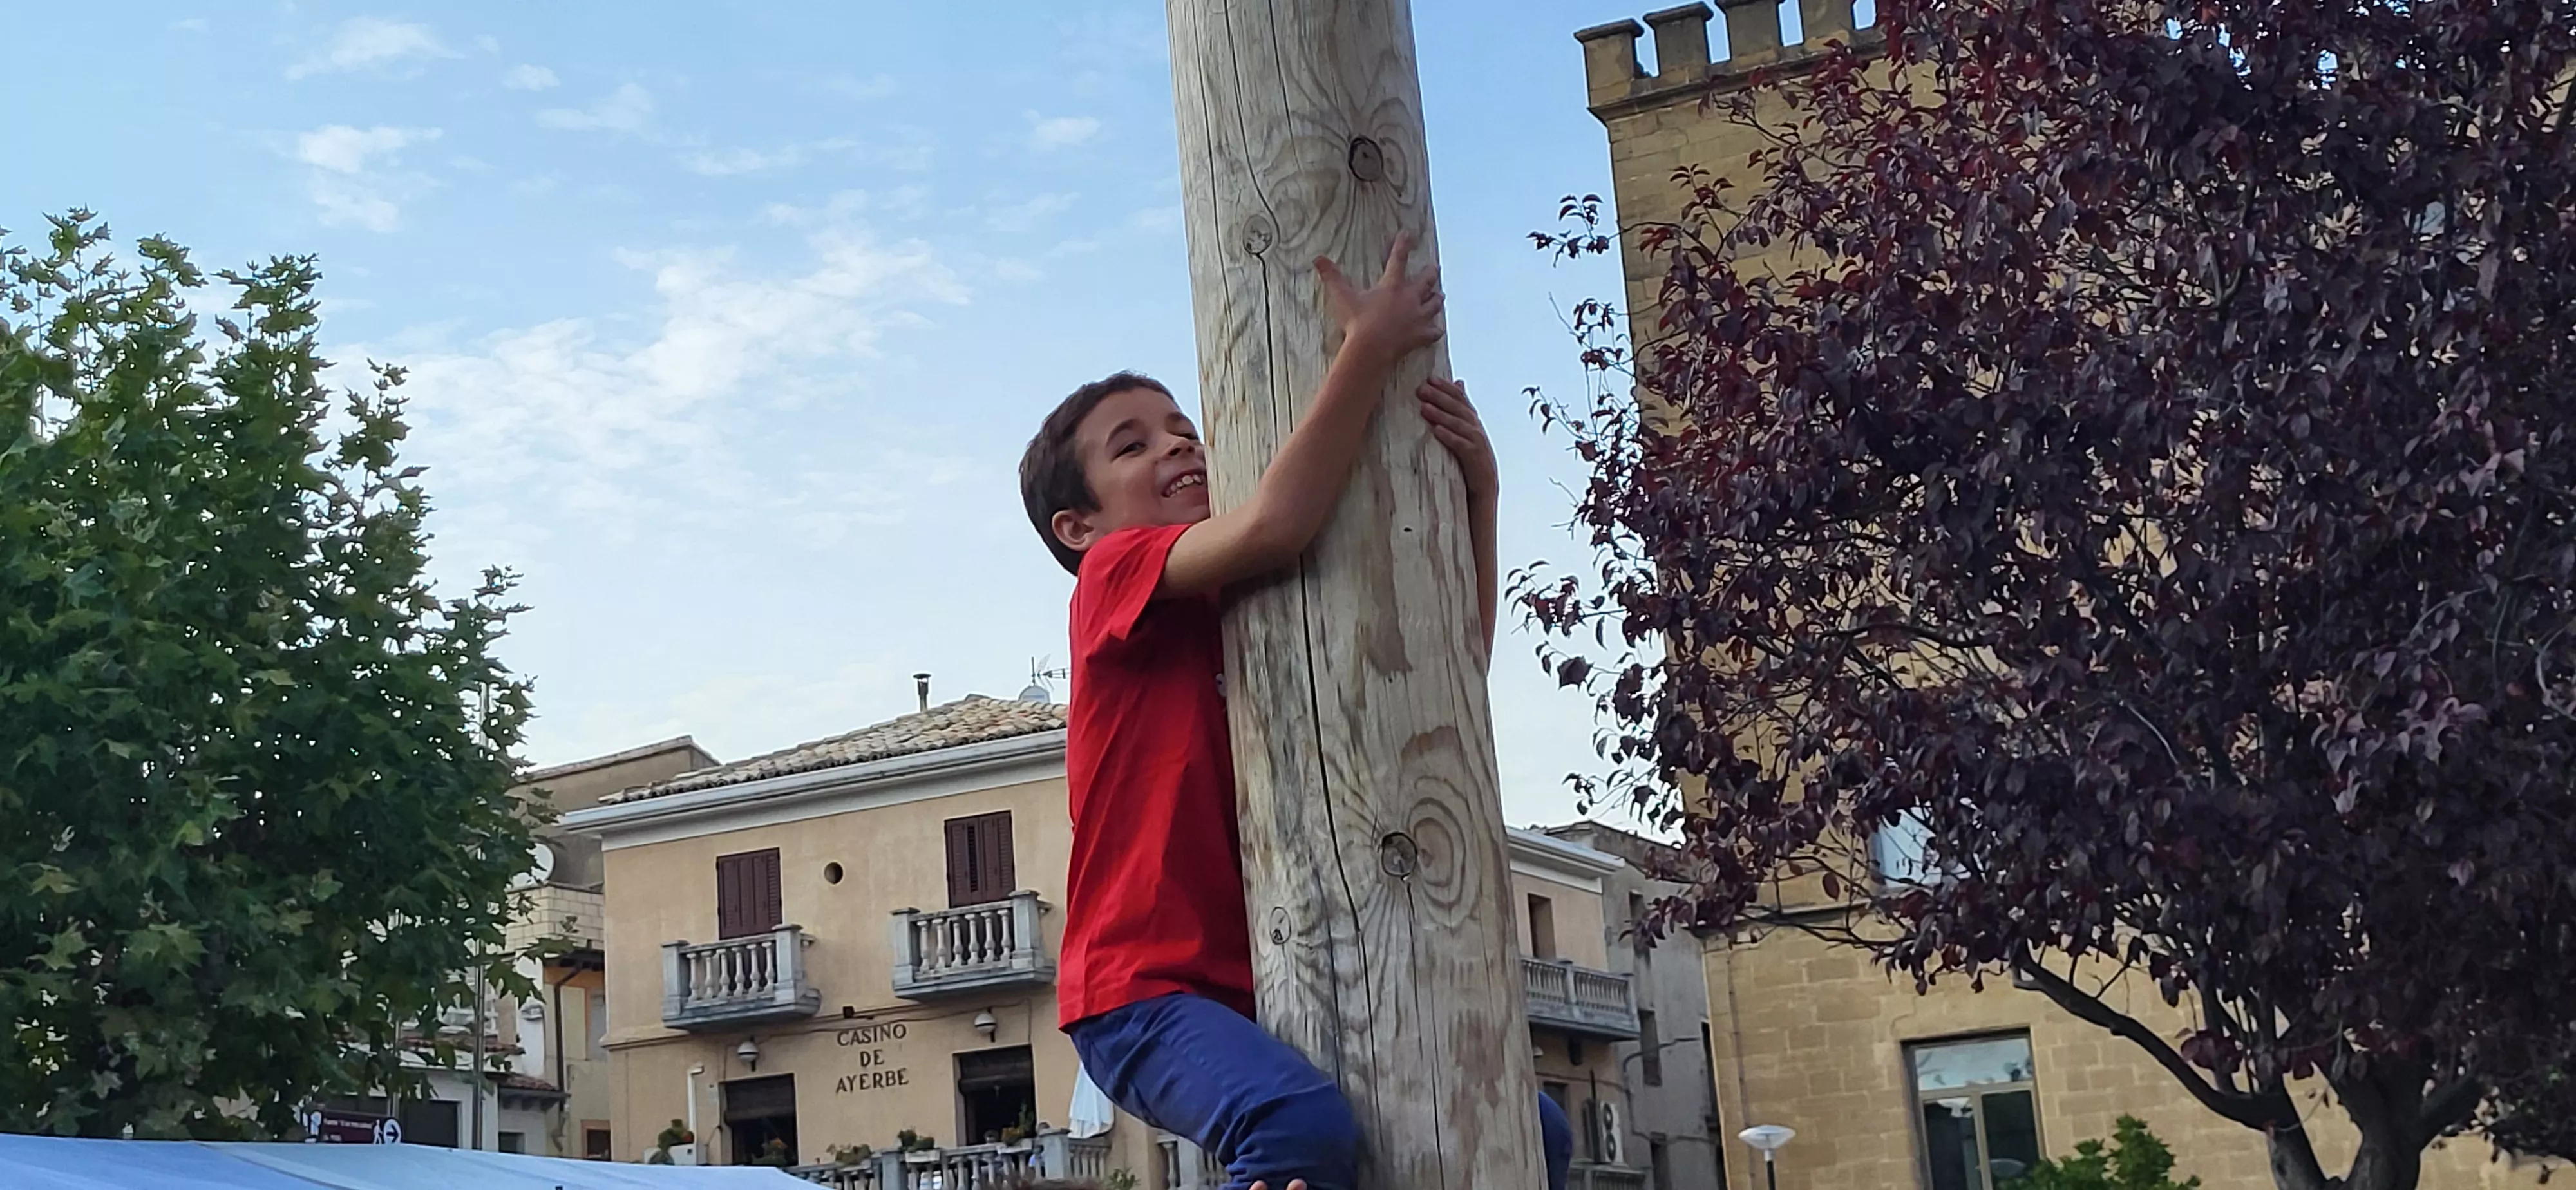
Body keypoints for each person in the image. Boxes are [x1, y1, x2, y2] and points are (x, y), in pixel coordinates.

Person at [1016, 234, 1573, 1190]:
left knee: (1535, 1130)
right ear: (1080, 527)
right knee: (1292, 1125)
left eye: (1182, 426)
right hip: (1142, 991)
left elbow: (1451, 678)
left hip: (1287, 979)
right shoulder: (1112, 580)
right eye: (1133, 444)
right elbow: (1278, 520)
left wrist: (1480, 495)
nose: (1179, 443)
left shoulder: (1257, 615)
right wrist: (1367, 344)